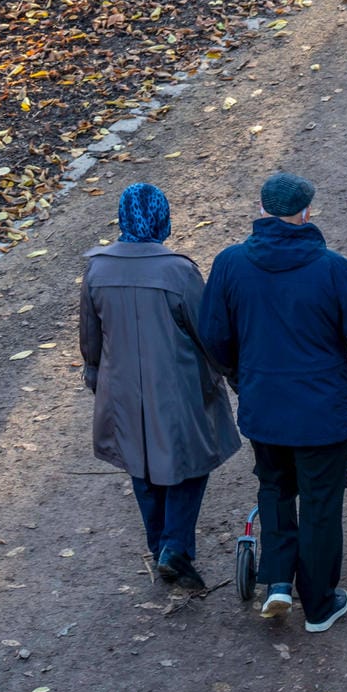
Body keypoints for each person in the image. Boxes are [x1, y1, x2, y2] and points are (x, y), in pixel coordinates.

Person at [199, 172, 347, 634]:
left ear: (262, 210)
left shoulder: (230, 264)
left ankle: (278, 583)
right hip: (322, 411)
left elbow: (212, 335)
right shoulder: (333, 268)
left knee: (275, 489)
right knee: (321, 502)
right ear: (305, 213)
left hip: (263, 406)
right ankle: (320, 604)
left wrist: (240, 376)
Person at [79, 183, 241, 590]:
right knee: (192, 461)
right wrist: (230, 373)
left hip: (121, 388)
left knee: (140, 463)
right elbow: (207, 332)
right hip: (177, 384)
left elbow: (90, 337)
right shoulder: (178, 271)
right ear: (161, 217)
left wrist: (96, 376)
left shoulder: (97, 269)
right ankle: (174, 547)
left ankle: (159, 546)